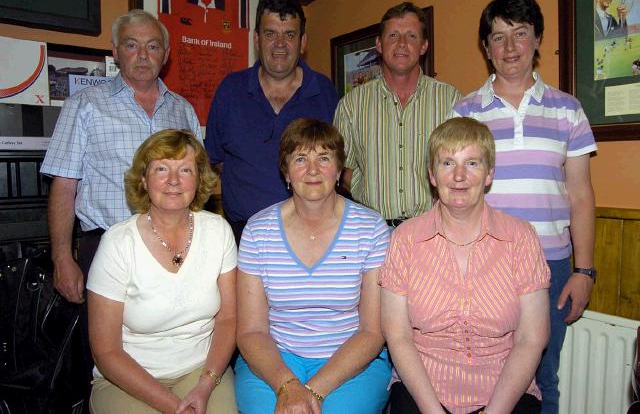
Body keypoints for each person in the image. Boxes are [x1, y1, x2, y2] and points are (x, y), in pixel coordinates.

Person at [40, 9, 202, 404]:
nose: (143, 55)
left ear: (166, 54)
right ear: (116, 51)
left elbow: (198, 187)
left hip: (173, 249)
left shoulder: (183, 111)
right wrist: (63, 256)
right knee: (104, 356)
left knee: (172, 344)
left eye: (152, 46)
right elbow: (64, 185)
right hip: (106, 249)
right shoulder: (85, 105)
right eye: (132, 45)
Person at [449, 0, 597, 414]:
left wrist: (584, 271)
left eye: (520, 34)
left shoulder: (568, 111)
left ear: (537, 40)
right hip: (479, 265)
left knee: (543, 378)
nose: (509, 47)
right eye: (498, 37)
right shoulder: (463, 115)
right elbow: (452, 195)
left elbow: (581, 196)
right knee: (479, 378)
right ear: (485, 47)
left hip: (550, 267)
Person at [380, 117, 551, 414]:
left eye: (472, 163)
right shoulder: (404, 239)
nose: (459, 176)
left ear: (489, 174)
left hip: (505, 392)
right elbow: (398, 336)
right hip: (424, 390)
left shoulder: (521, 238)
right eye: (447, 163)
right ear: (433, 175)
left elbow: (531, 338)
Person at [235, 118, 392, 413]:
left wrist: (313, 391)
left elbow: (372, 332)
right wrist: (286, 385)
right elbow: (251, 330)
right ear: (285, 171)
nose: (312, 170)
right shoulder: (258, 231)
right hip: (274, 359)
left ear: (339, 170)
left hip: (350, 360)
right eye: (300, 159)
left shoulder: (370, 229)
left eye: (323, 158)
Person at [87, 130, 237, 414]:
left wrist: (205, 385)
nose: (173, 180)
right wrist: (175, 407)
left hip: (202, 372)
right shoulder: (118, 243)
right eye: (161, 169)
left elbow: (228, 319)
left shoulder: (218, 232)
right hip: (127, 379)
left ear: (199, 178)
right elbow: (106, 351)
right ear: (143, 179)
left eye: (185, 169)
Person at [205, 0, 338, 244]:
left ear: (303, 42)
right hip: (242, 235)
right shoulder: (230, 90)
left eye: (289, 34)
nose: (280, 44)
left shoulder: (325, 91)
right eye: (270, 34)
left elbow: (336, 163)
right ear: (256, 39)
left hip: (312, 236)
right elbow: (217, 159)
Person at [334, 2, 462, 227]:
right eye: (393, 35)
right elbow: (337, 165)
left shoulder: (451, 100)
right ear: (379, 45)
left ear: (424, 46)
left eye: (411, 36)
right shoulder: (352, 105)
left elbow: (466, 167)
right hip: (374, 234)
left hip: (435, 231)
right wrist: (360, 185)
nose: (402, 43)